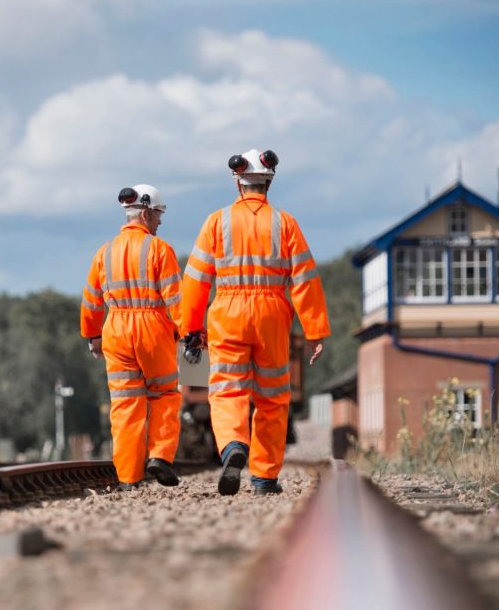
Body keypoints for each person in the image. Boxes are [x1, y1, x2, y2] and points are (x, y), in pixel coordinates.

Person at [180, 149, 330, 495]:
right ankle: (263, 477)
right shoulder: (285, 223)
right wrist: (314, 330)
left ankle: (233, 446)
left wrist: (191, 328)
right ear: (269, 180)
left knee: (227, 389)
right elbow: (305, 278)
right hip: (272, 316)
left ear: (238, 180)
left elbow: (196, 279)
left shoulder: (216, 222)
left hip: (228, 314)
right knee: (273, 398)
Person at [80, 184, 184, 490]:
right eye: (159, 215)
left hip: (116, 331)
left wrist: (93, 336)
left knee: (125, 405)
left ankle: (128, 479)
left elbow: (90, 301)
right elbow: (176, 299)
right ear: (147, 211)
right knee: (164, 394)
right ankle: (160, 457)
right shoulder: (159, 250)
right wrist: (191, 332)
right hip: (152, 329)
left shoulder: (104, 252)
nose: (160, 222)